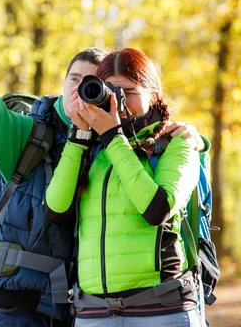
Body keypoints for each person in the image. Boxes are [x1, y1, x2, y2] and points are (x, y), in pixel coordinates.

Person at [0, 13, 203, 327]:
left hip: (75, 306)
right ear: (63, 83)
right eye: (75, 80)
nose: (82, 90)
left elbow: (165, 172)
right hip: (14, 303)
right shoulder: (30, 134)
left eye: (93, 84)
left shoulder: (111, 144)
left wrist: (194, 137)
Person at [45, 48, 203, 326]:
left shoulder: (176, 142)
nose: (120, 101)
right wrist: (80, 137)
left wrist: (112, 137)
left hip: (160, 311)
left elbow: (157, 210)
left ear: (152, 93)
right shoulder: (93, 147)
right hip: (94, 314)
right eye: (110, 90)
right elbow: (56, 211)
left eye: (129, 91)